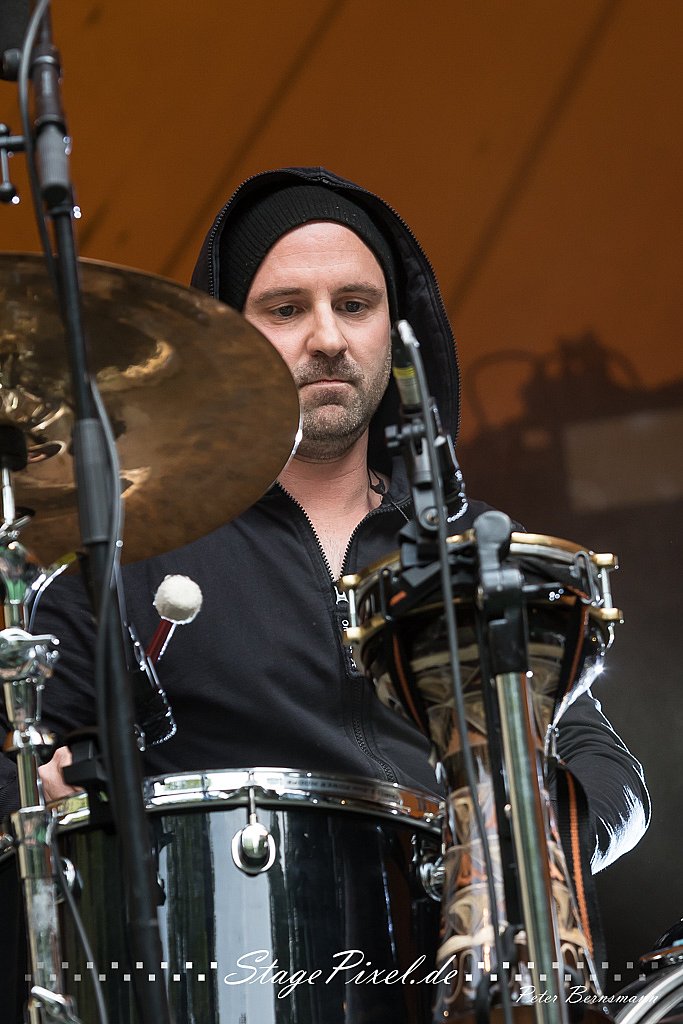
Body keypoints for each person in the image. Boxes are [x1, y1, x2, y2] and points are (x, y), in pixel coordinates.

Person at [0, 168, 648, 987]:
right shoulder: (125, 550)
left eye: (354, 304)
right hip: (225, 971)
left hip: (452, 976)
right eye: (284, 309)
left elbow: (602, 769)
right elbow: (17, 760)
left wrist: (517, 844)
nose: (328, 337)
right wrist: (45, 793)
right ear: (222, 338)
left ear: (393, 330)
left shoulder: (468, 542)